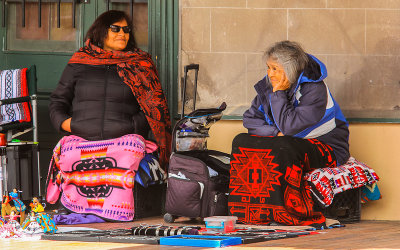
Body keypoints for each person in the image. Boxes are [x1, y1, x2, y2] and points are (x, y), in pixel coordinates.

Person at [46, 10, 171, 221]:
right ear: (101, 31)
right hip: (82, 137)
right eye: (115, 28)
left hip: (121, 139)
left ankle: (116, 211)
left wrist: (131, 126)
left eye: (126, 30)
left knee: (129, 152)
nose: (122, 33)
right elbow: (57, 102)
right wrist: (70, 124)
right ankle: (77, 207)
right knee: (67, 154)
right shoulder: (80, 62)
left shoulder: (139, 63)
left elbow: (154, 108)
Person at [233, 40, 350, 226]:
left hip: (328, 147)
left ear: (290, 69)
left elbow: (289, 127)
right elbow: (250, 120)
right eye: (268, 68)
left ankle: (284, 212)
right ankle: (249, 212)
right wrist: (274, 133)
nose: (269, 74)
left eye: (275, 69)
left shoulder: (314, 89)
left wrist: (278, 93)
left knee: (284, 146)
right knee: (241, 140)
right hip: (286, 142)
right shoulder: (269, 83)